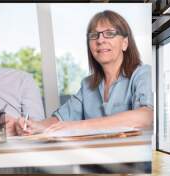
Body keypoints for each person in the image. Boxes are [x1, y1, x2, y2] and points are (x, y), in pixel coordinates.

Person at [16, 10, 153, 135]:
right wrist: (36, 126)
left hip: (133, 160)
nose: (100, 40)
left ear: (124, 43)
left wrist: (79, 126)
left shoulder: (142, 74)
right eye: (94, 35)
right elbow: (60, 118)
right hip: (95, 160)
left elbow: (146, 116)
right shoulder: (88, 85)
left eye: (109, 33)